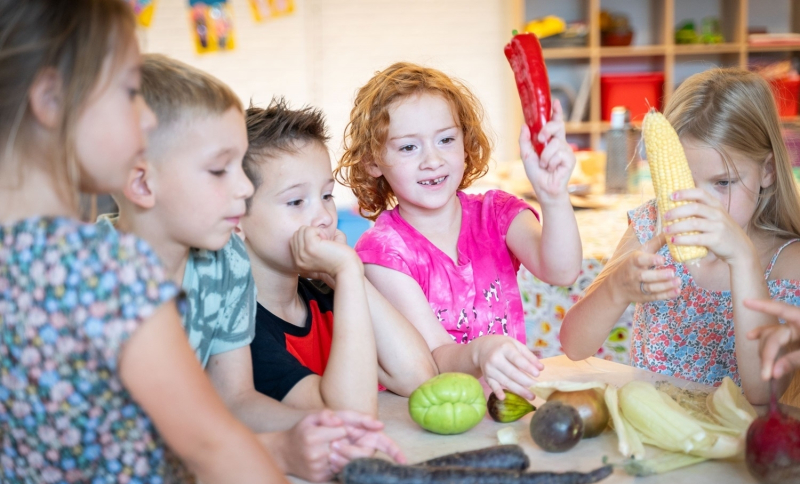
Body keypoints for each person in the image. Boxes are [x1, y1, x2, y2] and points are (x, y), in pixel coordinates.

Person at [0, 1, 286, 482]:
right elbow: (211, 444)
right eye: (130, 91)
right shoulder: (105, 266)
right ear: (51, 97)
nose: (146, 119)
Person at [102, 54, 402, 482]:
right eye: (219, 170)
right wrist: (274, 451)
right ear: (143, 183)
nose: (243, 188)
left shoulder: (225, 263)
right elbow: (112, 441)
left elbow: (236, 400)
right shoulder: (87, 277)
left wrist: (316, 434)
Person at [335, 62, 582, 400]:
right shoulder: (383, 253)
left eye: (446, 139)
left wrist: (553, 196)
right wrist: (482, 352)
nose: (432, 160)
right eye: (409, 147)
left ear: (466, 143)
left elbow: (562, 270)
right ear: (373, 162)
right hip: (430, 416)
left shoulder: (495, 213)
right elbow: (435, 360)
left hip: (502, 406)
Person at [560, 68, 800, 405]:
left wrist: (742, 259)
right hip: (651, 436)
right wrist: (616, 289)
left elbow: (764, 392)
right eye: (684, 182)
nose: (700, 204)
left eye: (723, 182)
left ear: (768, 171)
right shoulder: (654, 225)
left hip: (733, 449)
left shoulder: (788, 263)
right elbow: (573, 346)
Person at [239, 97, 436, 419]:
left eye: (327, 195)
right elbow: (347, 415)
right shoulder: (241, 326)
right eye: (296, 201)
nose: (323, 217)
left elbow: (418, 378)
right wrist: (345, 271)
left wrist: (346, 278)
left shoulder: (327, 296)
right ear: (236, 218)